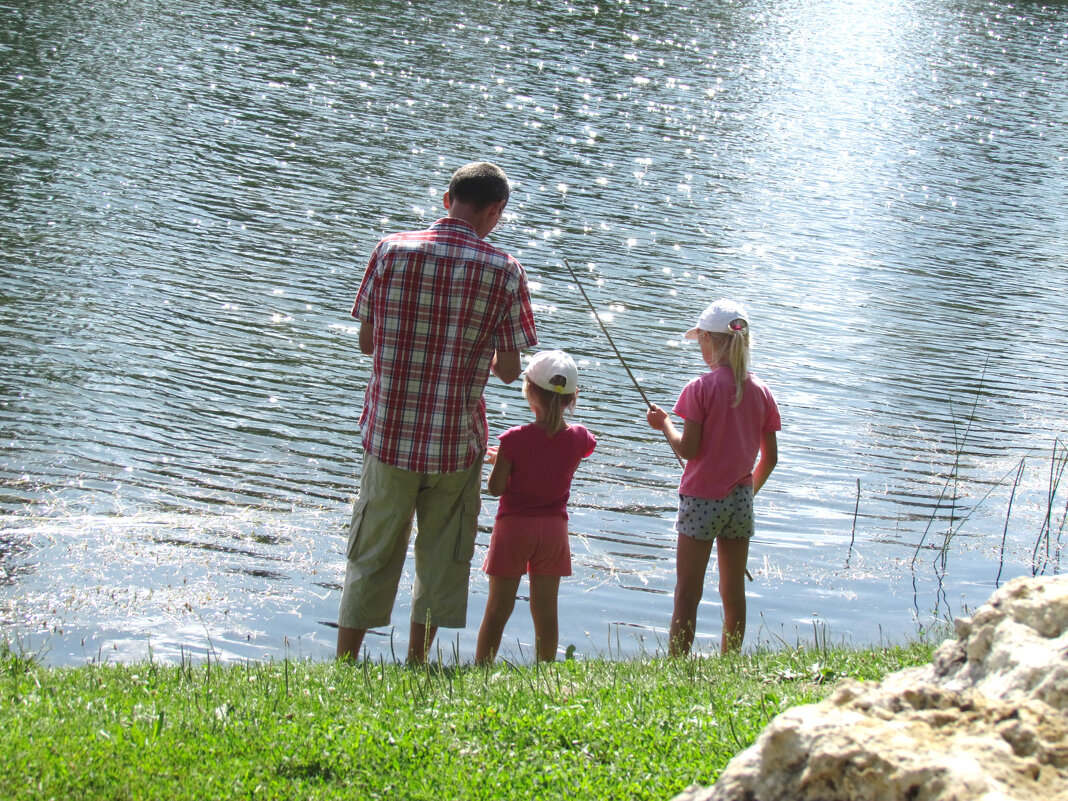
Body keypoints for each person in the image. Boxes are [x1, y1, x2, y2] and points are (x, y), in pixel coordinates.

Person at [336, 161, 538, 664]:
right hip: (455, 443)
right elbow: (511, 372)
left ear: (447, 199)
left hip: (387, 436)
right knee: (441, 558)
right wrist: (470, 345)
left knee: (371, 552)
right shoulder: (505, 270)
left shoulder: (389, 250)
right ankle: (416, 661)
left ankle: (345, 661)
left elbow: (367, 342)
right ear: (495, 210)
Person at [646, 299, 780, 655]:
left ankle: (678, 662)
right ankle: (730, 660)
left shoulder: (700, 388)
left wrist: (665, 425)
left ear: (709, 339)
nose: (700, 349)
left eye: (701, 342)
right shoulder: (762, 391)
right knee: (732, 590)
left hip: (702, 501)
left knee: (688, 591)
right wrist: (748, 491)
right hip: (740, 502)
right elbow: (771, 458)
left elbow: (688, 450)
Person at [475, 350, 596, 664]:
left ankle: (482, 667)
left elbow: (496, 488)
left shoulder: (513, 440)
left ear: (528, 390)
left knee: (498, 609)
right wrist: (509, 457)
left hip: (514, 528)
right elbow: (561, 451)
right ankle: (546, 669)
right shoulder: (580, 437)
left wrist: (501, 460)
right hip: (554, 531)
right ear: (573, 398)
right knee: (546, 611)